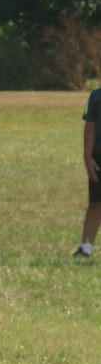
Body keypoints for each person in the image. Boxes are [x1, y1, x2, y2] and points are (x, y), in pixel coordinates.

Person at [75, 82, 101, 260]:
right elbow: (90, 126)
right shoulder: (96, 96)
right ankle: (86, 248)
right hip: (98, 157)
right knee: (95, 203)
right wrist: (87, 156)